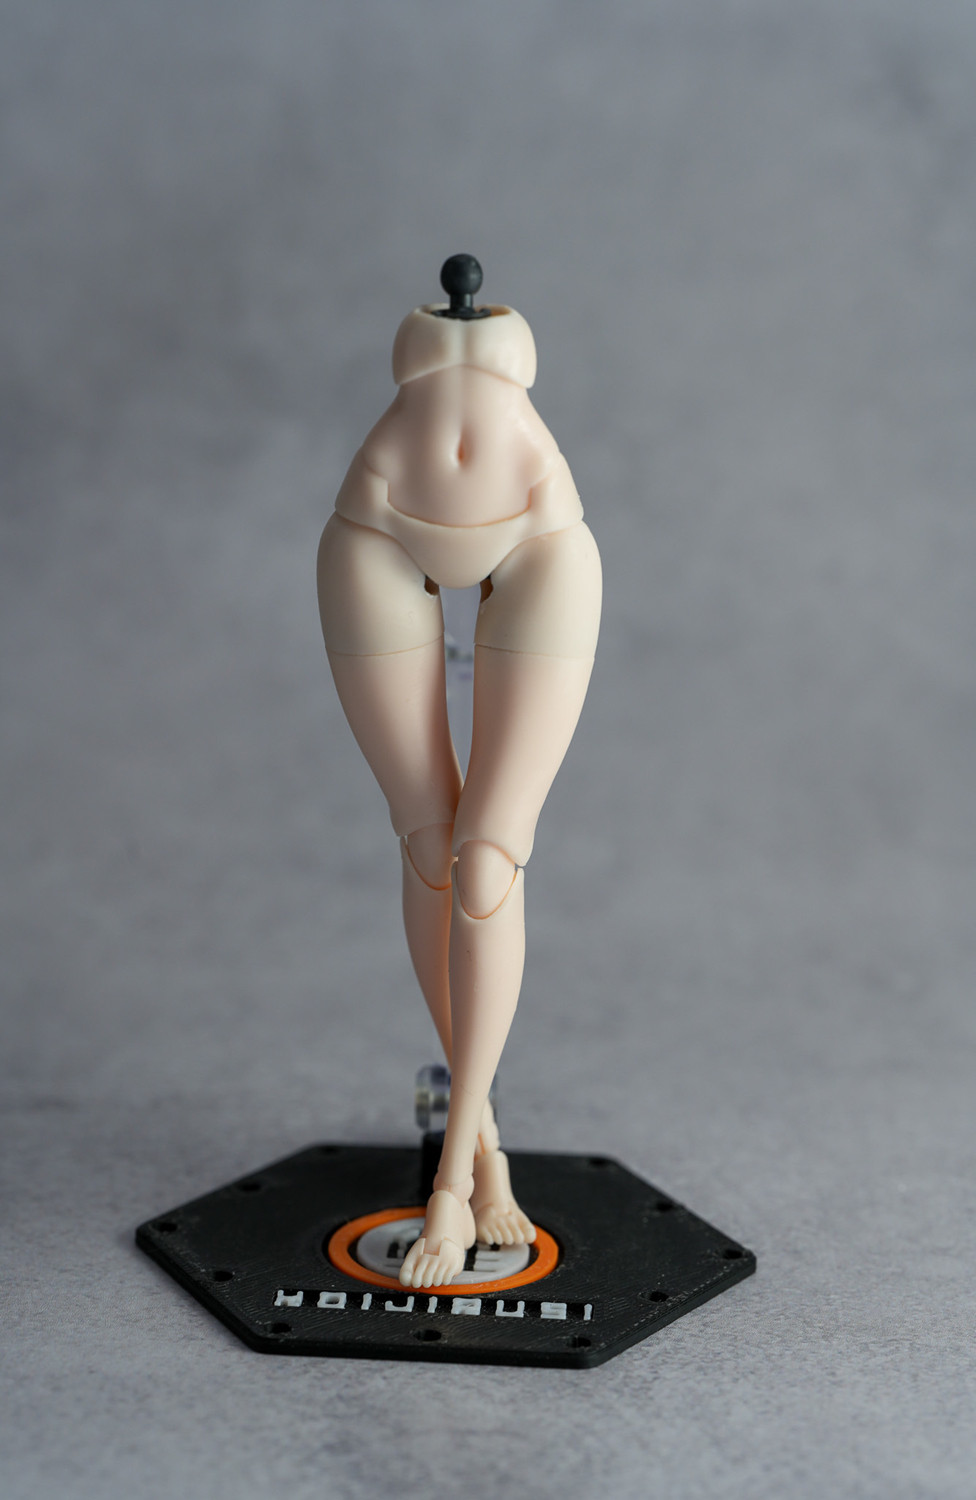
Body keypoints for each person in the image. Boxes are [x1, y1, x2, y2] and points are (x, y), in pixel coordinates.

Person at [318, 257, 602, 1288]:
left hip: (541, 544)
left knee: (487, 863)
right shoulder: (419, 348)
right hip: (375, 538)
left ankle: (456, 1180)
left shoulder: (507, 362)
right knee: (429, 843)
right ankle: (483, 1146)